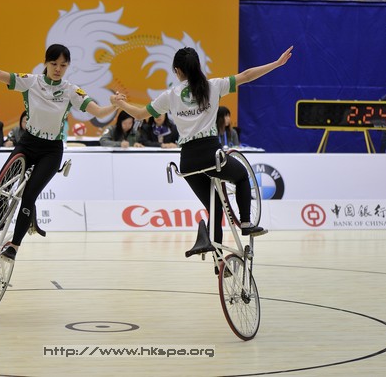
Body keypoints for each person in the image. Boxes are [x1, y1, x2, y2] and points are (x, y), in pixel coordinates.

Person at [111, 45, 293, 264]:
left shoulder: (170, 95)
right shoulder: (213, 86)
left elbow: (140, 113)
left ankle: (218, 262)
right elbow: (246, 76)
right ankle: (246, 223)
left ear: (177, 71)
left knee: (214, 207)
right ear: (197, 66)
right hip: (211, 155)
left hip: (188, 161)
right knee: (242, 175)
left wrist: (120, 103)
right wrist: (276, 64)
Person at [0, 44, 118, 261]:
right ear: (45, 63)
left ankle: (14, 246)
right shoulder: (31, 82)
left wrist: (114, 105)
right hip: (27, 143)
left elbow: (98, 112)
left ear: (68, 66)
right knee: (1, 186)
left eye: (63, 65)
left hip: (51, 151)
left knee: (29, 196)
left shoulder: (71, 90)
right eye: (54, 64)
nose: (58, 69)